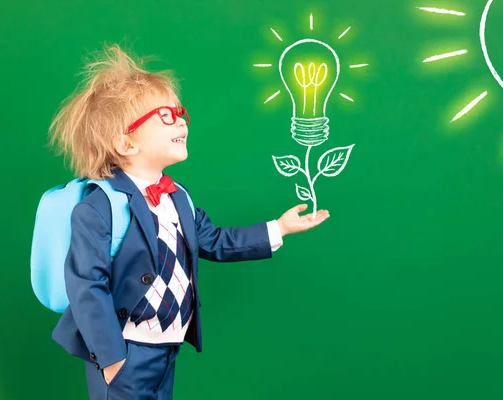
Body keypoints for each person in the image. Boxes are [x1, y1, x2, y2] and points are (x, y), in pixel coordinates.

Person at [49, 44, 329, 399]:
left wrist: (279, 227)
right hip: (125, 350)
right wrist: (111, 357)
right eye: (165, 115)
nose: (181, 120)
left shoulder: (178, 195)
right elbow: (87, 285)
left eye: (179, 112)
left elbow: (213, 240)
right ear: (126, 143)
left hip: (168, 348)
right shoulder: (100, 206)